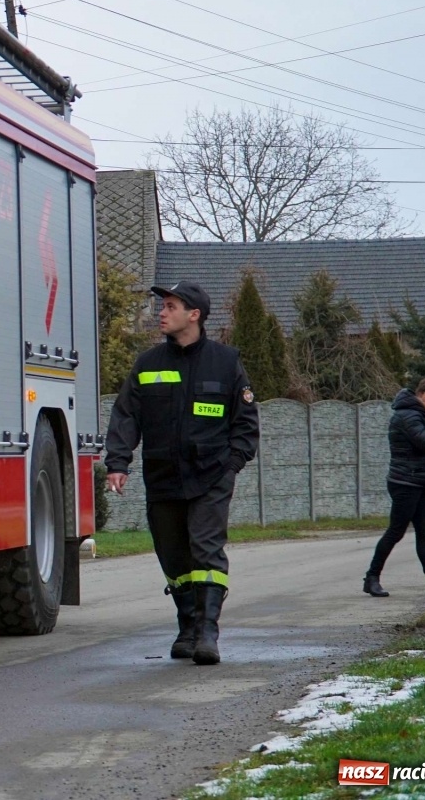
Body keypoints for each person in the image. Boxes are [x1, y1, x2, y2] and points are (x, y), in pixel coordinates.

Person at [104, 281, 260, 666]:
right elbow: (126, 415)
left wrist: (232, 466)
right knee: (173, 558)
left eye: (170, 306)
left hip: (211, 476)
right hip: (162, 476)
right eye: (163, 306)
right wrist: (118, 462)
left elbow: (245, 423)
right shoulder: (148, 364)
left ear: (194, 314)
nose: (162, 312)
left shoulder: (225, 363)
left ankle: (208, 632)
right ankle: (187, 626)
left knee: (206, 550)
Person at [363, 377, 425, 598]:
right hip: (404, 482)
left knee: (424, 532)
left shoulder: (414, 414)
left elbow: (419, 449)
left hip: (416, 480)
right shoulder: (408, 415)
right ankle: (371, 578)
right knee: (395, 532)